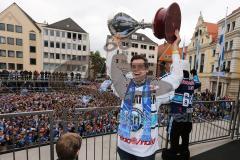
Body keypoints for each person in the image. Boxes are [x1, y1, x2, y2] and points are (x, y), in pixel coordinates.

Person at [108, 30, 183, 160]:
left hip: (145, 151)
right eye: (134, 67)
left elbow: (177, 76)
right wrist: (114, 43)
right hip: (124, 147)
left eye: (140, 67)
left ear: (147, 69)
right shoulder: (123, 87)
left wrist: (175, 47)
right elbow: (111, 69)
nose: (137, 70)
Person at [162, 62, 201, 160]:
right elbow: (198, 83)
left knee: (174, 136)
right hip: (188, 114)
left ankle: (173, 153)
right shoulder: (192, 82)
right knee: (185, 135)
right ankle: (185, 152)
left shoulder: (178, 80)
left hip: (177, 114)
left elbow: (164, 80)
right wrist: (195, 74)